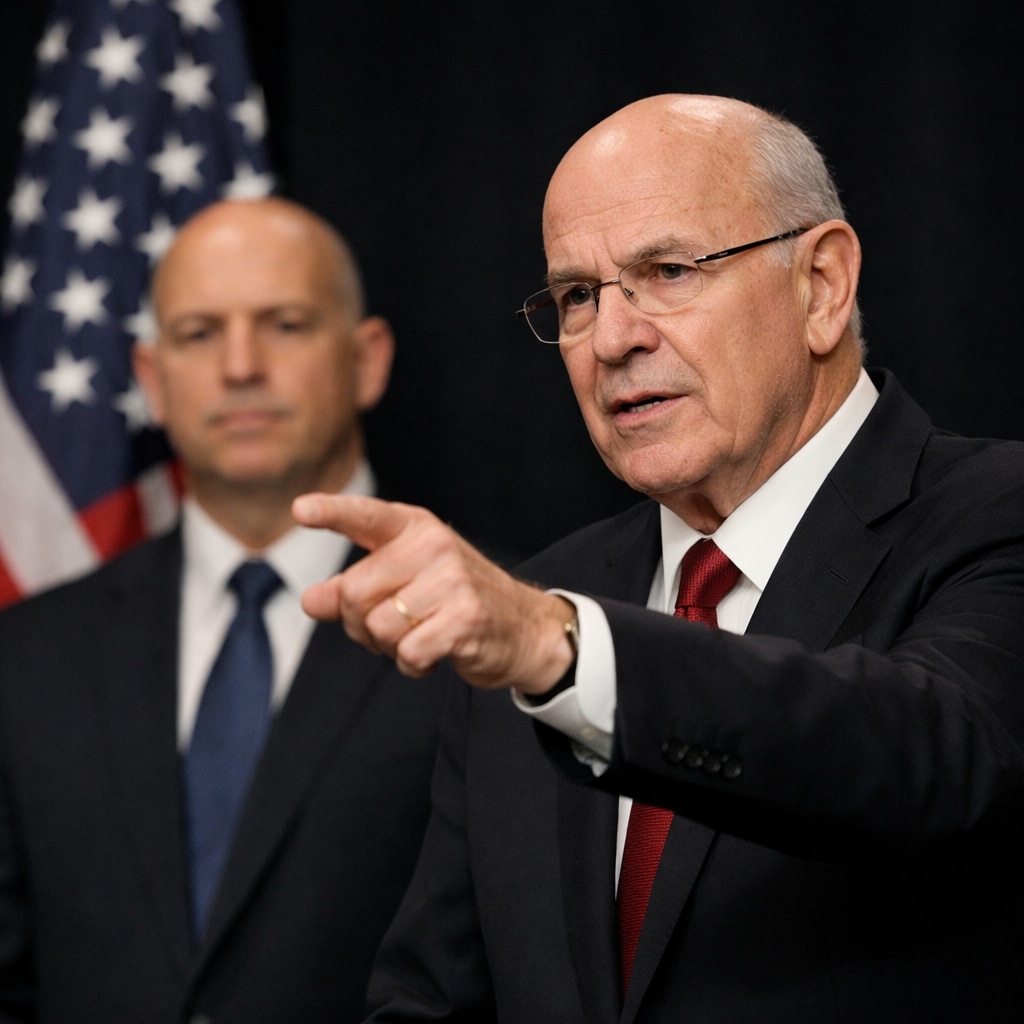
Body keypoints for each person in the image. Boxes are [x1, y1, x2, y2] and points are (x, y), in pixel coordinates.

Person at [290, 96, 1024, 1022]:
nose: (612, 339)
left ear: (822, 285)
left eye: (669, 271)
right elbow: (433, 999)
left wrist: (563, 652)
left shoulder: (993, 514)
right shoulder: (541, 601)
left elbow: (925, 755)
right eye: (577, 296)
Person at [0, 197, 446, 1022]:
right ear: (152, 380)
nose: (240, 366)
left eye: (284, 324)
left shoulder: (488, 638)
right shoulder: (27, 656)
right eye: (200, 333)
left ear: (367, 359)